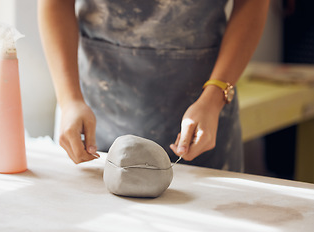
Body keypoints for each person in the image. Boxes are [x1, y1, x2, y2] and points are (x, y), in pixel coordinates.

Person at [38, 0, 270, 171]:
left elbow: (253, 4)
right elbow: (55, 4)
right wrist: (70, 100)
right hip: (93, 108)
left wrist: (214, 97)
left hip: (204, 102)